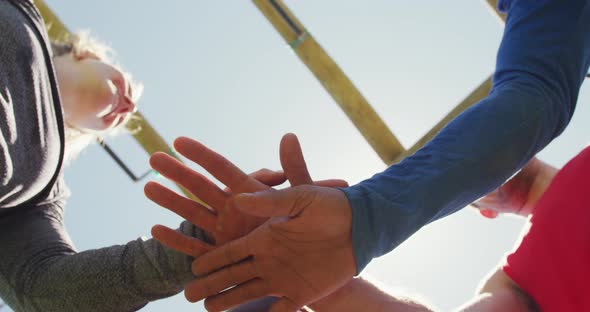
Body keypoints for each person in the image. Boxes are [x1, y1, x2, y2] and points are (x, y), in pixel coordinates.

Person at [146, 0, 590, 310]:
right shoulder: (524, 277)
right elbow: (531, 97)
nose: (468, 170)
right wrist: (331, 288)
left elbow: (530, 104)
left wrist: (365, 219)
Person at [0, 1, 204, 310]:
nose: (131, 107)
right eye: (130, 89)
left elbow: (44, 289)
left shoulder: (44, 190)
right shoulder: (23, 11)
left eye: (124, 118)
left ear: (87, 132)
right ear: (87, 55)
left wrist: (194, 247)